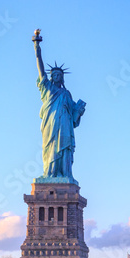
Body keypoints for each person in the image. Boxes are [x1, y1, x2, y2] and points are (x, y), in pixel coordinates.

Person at [33, 29, 86, 182]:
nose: (56, 76)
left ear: (62, 78)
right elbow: (41, 69)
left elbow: (73, 118)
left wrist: (79, 111)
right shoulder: (47, 88)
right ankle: (50, 174)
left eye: (59, 75)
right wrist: (37, 47)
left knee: (65, 149)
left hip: (65, 126)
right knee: (50, 148)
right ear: (51, 77)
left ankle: (65, 174)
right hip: (50, 125)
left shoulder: (66, 94)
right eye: (54, 74)